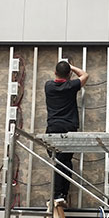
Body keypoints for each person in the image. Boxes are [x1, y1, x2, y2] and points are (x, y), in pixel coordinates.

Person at [45, 60, 89, 203]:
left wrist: (67, 68)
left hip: (53, 128)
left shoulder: (48, 86)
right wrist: (72, 67)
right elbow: (85, 75)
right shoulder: (71, 86)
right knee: (65, 161)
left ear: (55, 73)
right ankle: (61, 194)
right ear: (69, 74)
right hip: (69, 128)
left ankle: (59, 195)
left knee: (59, 160)